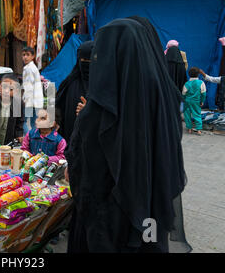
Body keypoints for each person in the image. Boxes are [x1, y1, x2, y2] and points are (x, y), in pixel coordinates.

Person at [65, 18, 191, 253]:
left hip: (107, 226)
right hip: (150, 215)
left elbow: (83, 175)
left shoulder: (97, 112)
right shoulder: (165, 100)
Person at [55, 41, 94, 141]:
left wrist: (89, 111)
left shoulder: (104, 85)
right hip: (70, 137)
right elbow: (57, 107)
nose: (85, 63)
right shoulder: (69, 83)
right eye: (82, 59)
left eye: (89, 60)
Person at [22, 46, 44, 136]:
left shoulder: (29, 68)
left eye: (27, 55)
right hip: (37, 101)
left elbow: (29, 87)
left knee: (22, 121)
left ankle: (29, 138)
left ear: (33, 56)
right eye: (23, 55)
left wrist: (25, 100)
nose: (25, 57)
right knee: (33, 123)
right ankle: (35, 139)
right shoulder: (33, 67)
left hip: (31, 101)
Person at [182, 67, 206, 135]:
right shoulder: (201, 83)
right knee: (197, 114)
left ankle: (189, 129)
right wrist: (202, 101)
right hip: (196, 102)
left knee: (187, 114)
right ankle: (198, 130)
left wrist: (184, 100)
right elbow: (203, 94)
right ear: (198, 74)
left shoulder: (187, 84)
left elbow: (183, 93)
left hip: (187, 101)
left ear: (189, 74)